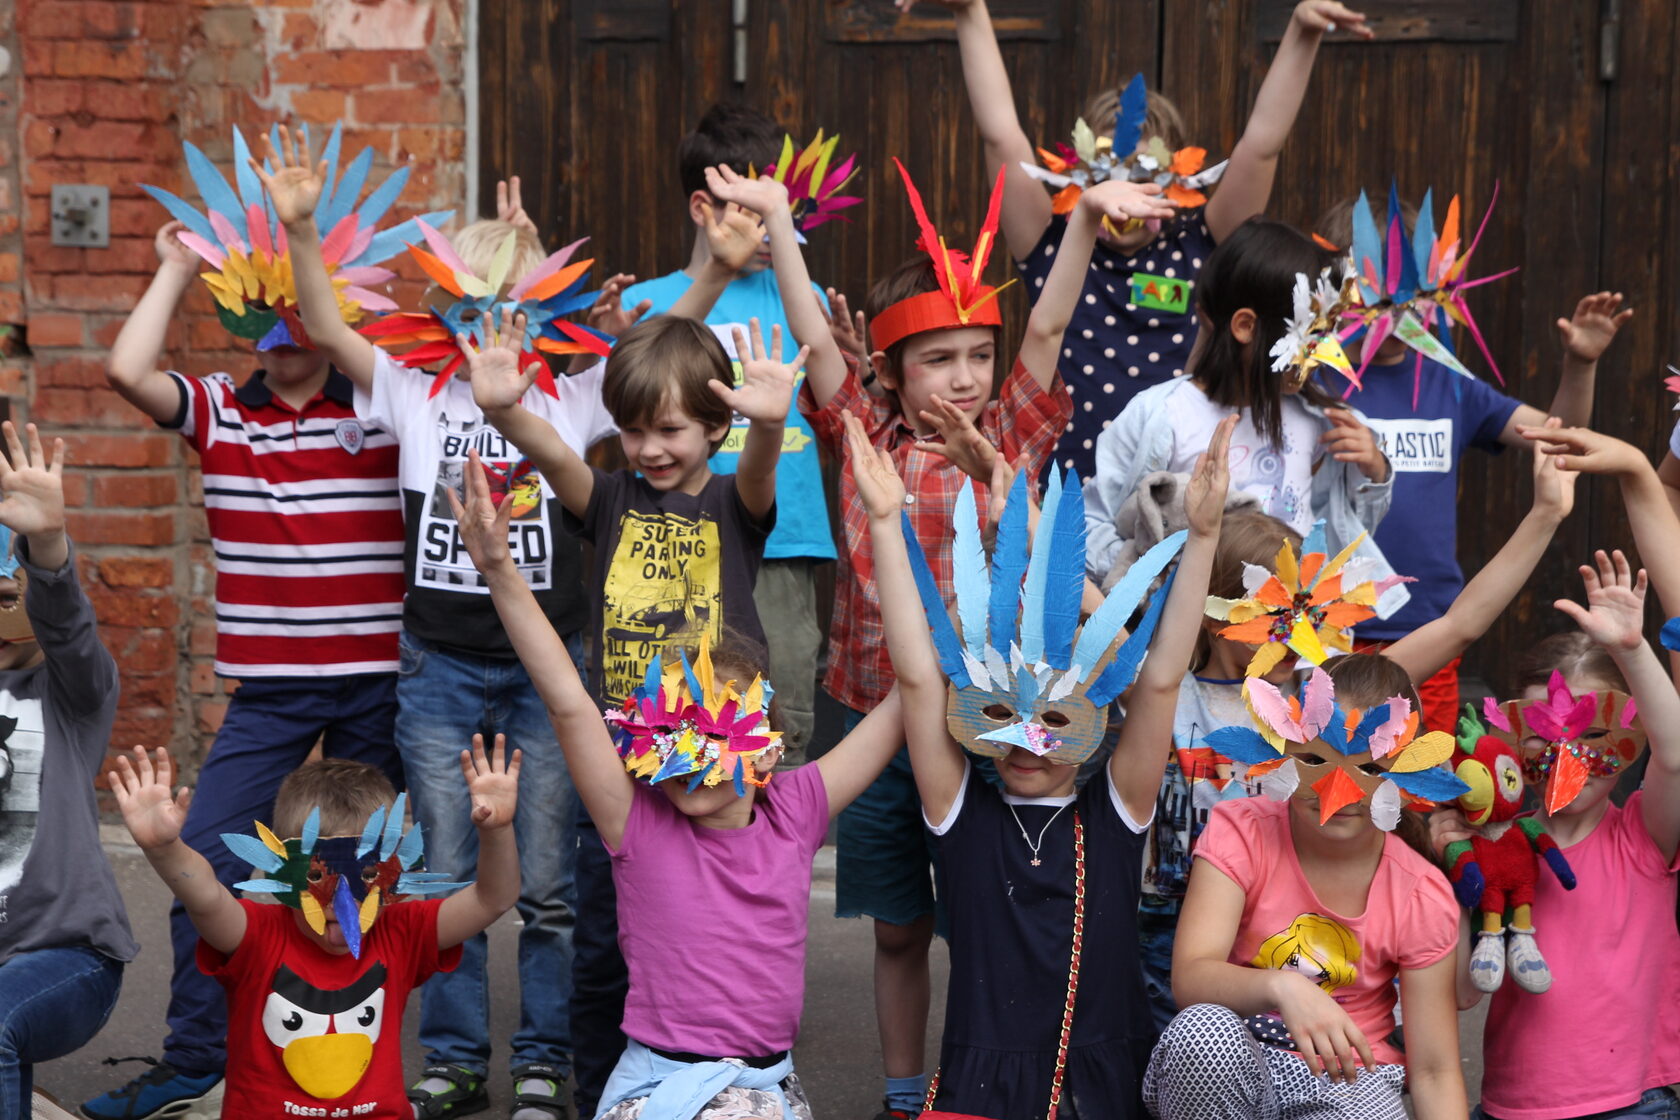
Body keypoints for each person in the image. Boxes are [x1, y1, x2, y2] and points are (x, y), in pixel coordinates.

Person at [740, 154, 1161, 1116]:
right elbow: (812, 337)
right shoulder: (860, 435)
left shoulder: (1011, 433)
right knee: (896, 924)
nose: (966, 376)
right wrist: (777, 224)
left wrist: (1085, 218)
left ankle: (1004, 1071)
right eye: (939, 358)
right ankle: (901, 1090)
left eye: (979, 352)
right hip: (875, 719)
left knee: (992, 923)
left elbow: (1048, 324)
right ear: (890, 367)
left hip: (995, 724)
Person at [258, 126, 608, 1119]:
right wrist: (299, 228)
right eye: (472, 307)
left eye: (514, 307)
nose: (492, 328)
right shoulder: (413, 387)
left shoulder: (573, 390)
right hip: (443, 671)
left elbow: (656, 347)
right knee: (443, 872)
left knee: (547, 884)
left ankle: (544, 1055)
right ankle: (455, 1057)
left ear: (543, 313)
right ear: (442, 311)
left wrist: (694, 265)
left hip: (548, 675)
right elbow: (326, 323)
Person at [87, 124, 419, 1120]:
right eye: (264, 314)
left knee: (363, 869)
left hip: (376, 681)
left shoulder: (376, 407)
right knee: (214, 844)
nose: (283, 334)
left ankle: (362, 1054)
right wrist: (176, 269)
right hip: (270, 686)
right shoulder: (218, 412)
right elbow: (123, 369)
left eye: (299, 312)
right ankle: (197, 1051)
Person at [448, 442, 908, 1118]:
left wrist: (889, 526)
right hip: (658, 1086)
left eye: (712, 734)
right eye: (668, 737)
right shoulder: (635, 820)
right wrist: (499, 571)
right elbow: (570, 700)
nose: (688, 758)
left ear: (765, 752)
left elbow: (910, 694)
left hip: (765, 1086)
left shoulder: (796, 809)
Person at [864, 396, 1234, 1118]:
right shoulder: (958, 812)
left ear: (1094, 720)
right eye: (1004, 714)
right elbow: (915, 675)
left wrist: (1204, 534)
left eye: (1055, 717)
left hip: (1099, 1089)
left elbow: (1160, 680)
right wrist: (885, 522)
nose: (1028, 742)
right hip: (980, 1092)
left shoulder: (1117, 811)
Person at [1142, 421, 1577, 1033]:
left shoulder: (1320, 700)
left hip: (1289, 916)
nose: (1296, 630)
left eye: (1306, 609)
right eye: (1275, 612)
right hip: (1169, 921)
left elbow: (1458, 627)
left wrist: (1544, 517)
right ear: (1220, 612)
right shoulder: (1166, 694)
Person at [899, 0, 1373, 475]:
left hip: (1180, 491)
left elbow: (1262, 145)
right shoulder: (1053, 244)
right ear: (1078, 177)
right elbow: (1001, 136)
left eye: (1143, 173)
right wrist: (969, 10)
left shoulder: (1206, 242)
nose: (1124, 191)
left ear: (1179, 180)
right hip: (1067, 493)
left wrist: (1301, 32)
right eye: (1106, 172)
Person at [1314, 194, 1633, 732]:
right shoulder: (1315, 381)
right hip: (1327, 628)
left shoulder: (1448, 384)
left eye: (1416, 294)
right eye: (1380, 294)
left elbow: (1557, 441)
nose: (1401, 312)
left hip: (1430, 629)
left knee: (1413, 788)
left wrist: (1580, 365)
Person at [1440, 421, 1680, 1119]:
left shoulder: (1642, 837)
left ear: (1629, 735)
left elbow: (1678, 751)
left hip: (1634, 1103)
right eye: (1546, 735)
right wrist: (1462, 865)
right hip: (1511, 1106)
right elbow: (1459, 990)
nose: (1567, 756)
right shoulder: (1499, 844)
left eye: (1594, 733)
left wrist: (1635, 648)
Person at [107, 740, 521, 1118]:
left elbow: (491, 899)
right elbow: (206, 897)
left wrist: (497, 830)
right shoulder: (255, 935)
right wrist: (164, 848)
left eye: (365, 877)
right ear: (285, 874)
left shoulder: (401, 932)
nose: (344, 905)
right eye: (319, 876)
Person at [1144, 653, 1470, 1119]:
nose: (1338, 790)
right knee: (1200, 1031)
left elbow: (1435, 1068)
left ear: (1406, 773)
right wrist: (1284, 988)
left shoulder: (1420, 892)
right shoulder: (1243, 830)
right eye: (1317, 759)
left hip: (1350, 1078)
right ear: (1286, 748)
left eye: (1369, 769)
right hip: (1239, 1060)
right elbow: (1192, 978)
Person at [620, 102, 838, 764]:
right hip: (672, 543)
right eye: (748, 204)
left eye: (779, 206)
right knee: (667, 725)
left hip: (780, 549)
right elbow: (635, 375)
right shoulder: (654, 300)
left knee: (778, 725)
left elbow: (826, 370)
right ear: (702, 208)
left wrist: (778, 222)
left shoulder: (801, 295)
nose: (767, 222)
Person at [1084, 218, 1396, 606]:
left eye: (1329, 332)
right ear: (1246, 326)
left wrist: (1374, 471)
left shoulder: (1317, 423)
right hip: (1188, 645)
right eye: (1311, 333)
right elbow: (1094, 523)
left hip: (1287, 642)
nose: (1323, 351)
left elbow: (1343, 530)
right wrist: (1154, 588)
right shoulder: (1163, 416)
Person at [0, 423, 135, 1119]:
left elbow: (67, 628)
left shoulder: (73, 697)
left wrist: (46, 548)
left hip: (70, 958)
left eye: (7, 595)